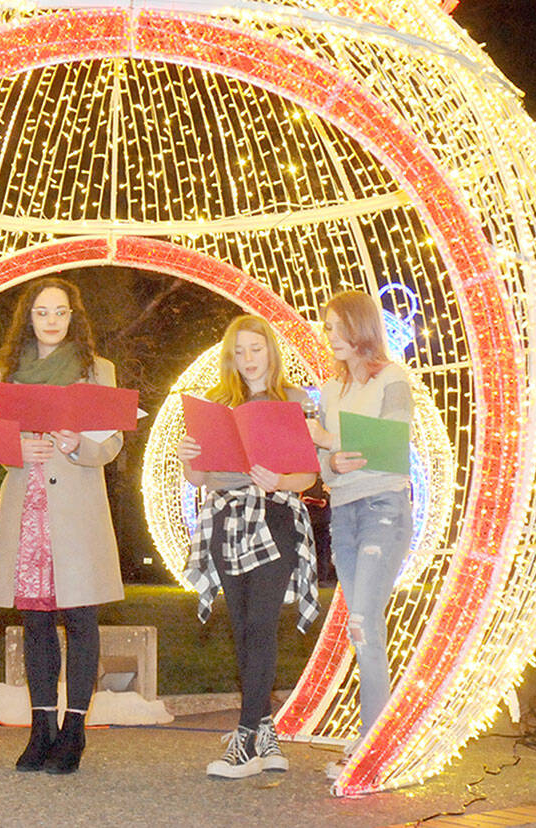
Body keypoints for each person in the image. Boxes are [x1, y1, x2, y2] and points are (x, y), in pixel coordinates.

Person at [0, 276, 125, 775]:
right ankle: (41, 728)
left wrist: (75, 444)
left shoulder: (97, 371)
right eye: (42, 312)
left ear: (73, 317)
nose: (50, 321)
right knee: (36, 621)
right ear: (29, 317)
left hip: (77, 510)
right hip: (27, 506)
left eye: (60, 312)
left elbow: (109, 445)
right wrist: (14, 450)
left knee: (81, 620)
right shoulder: (7, 373)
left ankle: (75, 729)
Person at [177, 314, 321, 779]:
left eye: (255, 350)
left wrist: (279, 480)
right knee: (240, 626)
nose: (247, 360)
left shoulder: (294, 401)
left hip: (275, 514)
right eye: (238, 352)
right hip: (225, 516)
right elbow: (199, 478)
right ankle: (264, 732)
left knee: (261, 622)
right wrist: (189, 460)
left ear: (271, 352)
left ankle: (244, 740)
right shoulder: (219, 404)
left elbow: (309, 476)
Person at [306, 290, 413, 772]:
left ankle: (375, 745)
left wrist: (330, 438)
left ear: (359, 327)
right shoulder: (329, 391)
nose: (328, 337)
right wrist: (328, 456)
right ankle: (376, 736)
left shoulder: (392, 378)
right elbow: (322, 469)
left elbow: (394, 438)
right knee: (361, 625)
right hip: (344, 513)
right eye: (327, 329)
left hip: (383, 508)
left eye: (334, 327)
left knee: (365, 624)